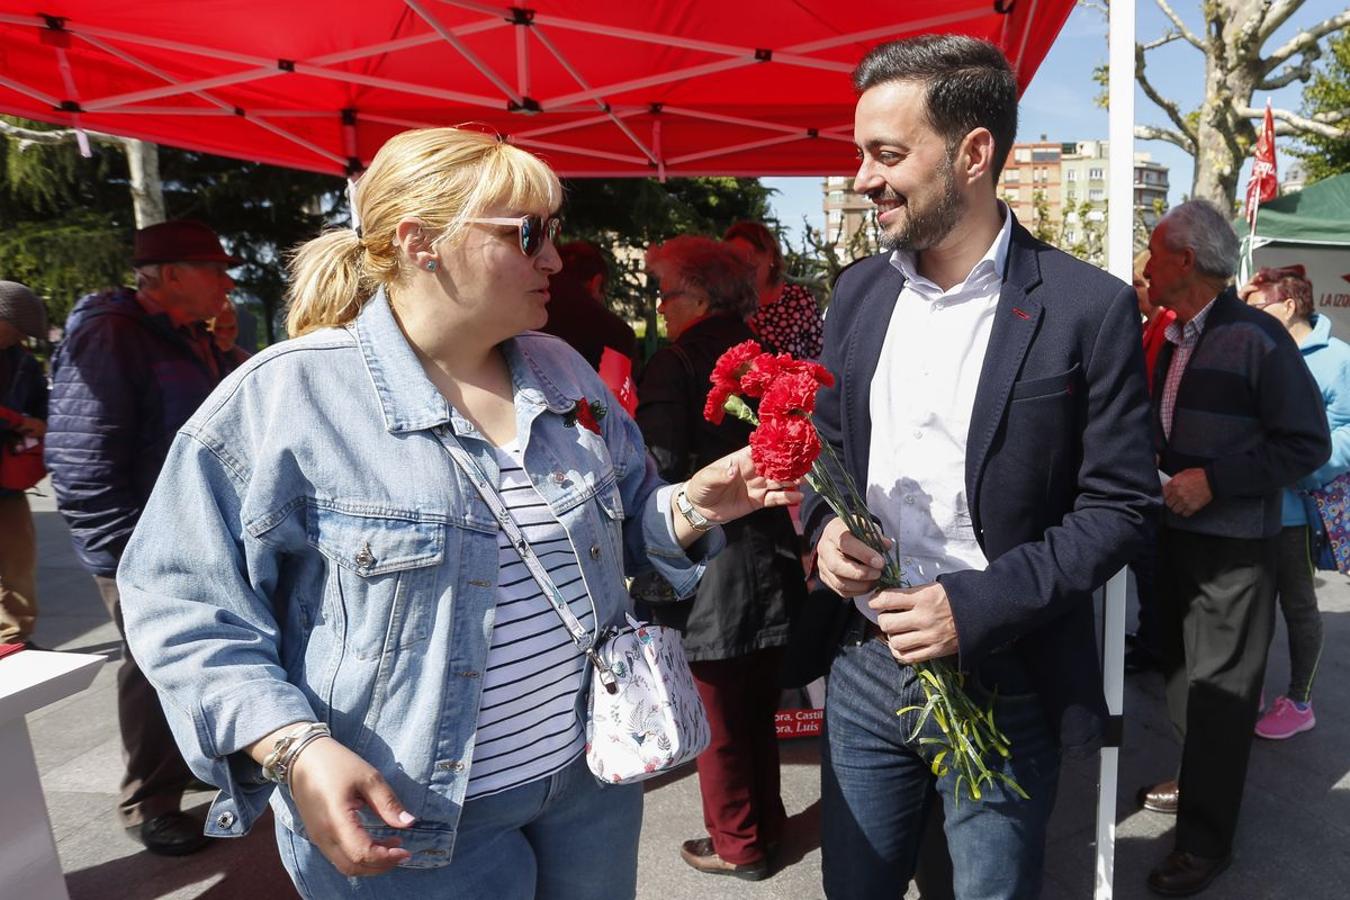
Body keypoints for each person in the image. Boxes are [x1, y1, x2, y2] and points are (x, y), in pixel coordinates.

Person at [114, 127, 800, 899]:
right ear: (419, 242)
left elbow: (624, 536)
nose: (551, 259)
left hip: (590, 785)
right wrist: (294, 748)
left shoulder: (560, 370)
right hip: (411, 816)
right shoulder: (287, 397)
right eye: (528, 233)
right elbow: (181, 606)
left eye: (554, 232)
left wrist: (691, 507)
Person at [801, 35, 1159, 899]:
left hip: (1008, 670)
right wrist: (822, 533)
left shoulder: (1085, 307)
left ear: (973, 154)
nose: (862, 178)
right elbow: (824, 449)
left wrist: (977, 606)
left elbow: (1119, 506)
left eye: (888, 154)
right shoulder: (856, 292)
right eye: (861, 154)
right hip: (863, 660)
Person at [1137, 202, 1330, 896]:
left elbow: (1309, 443)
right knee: (1186, 683)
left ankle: (1203, 845)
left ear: (1186, 260)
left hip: (1233, 552)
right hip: (1175, 541)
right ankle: (1198, 785)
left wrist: (1213, 481)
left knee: (1220, 700)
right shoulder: (1174, 332)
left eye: (1156, 252)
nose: (1145, 265)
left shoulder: (1256, 340)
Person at [44, 219, 238, 856]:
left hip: (190, 535)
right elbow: (81, 461)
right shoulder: (111, 334)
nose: (227, 281)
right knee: (156, 666)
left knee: (192, 659)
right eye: (215, 269)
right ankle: (148, 801)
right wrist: (128, 552)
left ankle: (189, 770)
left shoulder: (184, 336)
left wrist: (226, 352)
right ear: (173, 275)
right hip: (141, 544)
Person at [637, 236, 809, 881]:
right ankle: (763, 822)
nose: (660, 307)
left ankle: (739, 844)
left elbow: (658, 470)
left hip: (712, 557)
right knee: (757, 705)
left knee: (718, 716)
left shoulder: (677, 363)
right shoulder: (765, 356)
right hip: (773, 553)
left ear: (701, 296)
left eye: (667, 293)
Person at [1239, 265, 1350, 740]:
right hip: (1248, 503)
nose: (1246, 314)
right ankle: (1254, 688)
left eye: (1256, 305)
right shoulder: (1256, 348)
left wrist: (1297, 463)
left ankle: (1300, 701)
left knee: (1298, 606)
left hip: (1297, 510)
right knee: (1253, 605)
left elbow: (1346, 435)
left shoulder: (1338, 358)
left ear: (1287, 306)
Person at [1127, 248, 1171, 675]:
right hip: (1147, 456)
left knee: (1153, 564)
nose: (1139, 291)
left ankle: (1154, 642)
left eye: (1140, 283)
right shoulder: (1151, 327)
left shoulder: (1168, 327)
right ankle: (1149, 635)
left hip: (1158, 462)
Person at [0, 281, 49, 648]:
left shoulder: (23, 362)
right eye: (16, 328)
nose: (20, 338)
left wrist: (35, 422)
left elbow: (42, 410)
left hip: (8, 479)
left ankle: (16, 637)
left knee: (18, 560)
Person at [724, 221, 824, 360]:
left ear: (770, 256)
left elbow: (823, 358)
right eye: (734, 257)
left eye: (750, 254)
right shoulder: (723, 305)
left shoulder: (799, 300)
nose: (743, 263)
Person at [539, 240, 639, 371]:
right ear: (596, 282)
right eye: (605, 291)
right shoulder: (615, 332)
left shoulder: (528, 315)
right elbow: (618, 388)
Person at [210, 297, 252, 369]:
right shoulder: (195, 361)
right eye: (218, 328)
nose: (225, 334)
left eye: (231, 328)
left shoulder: (246, 363)